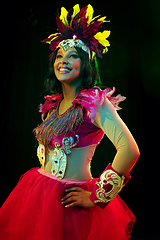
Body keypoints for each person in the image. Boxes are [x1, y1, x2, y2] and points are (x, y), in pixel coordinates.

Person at [0, 4, 140, 240]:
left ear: (86, 63)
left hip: (71, 202)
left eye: (73, 56)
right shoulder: (53, 105)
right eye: (60, 56)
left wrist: (97, 196)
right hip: (39, 193)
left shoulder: (96, 103)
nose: (63, 61)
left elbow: (130, 150)